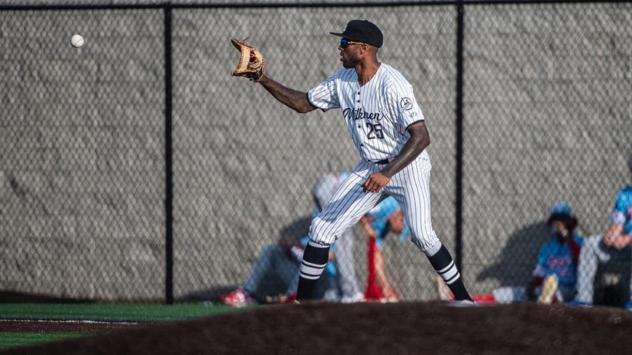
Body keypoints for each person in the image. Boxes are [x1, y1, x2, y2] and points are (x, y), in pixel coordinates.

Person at [234, 19, 473, 302]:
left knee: (422, 235)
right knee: (321, 230)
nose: (340, 47)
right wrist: (261, 78)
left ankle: (464, 299)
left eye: (345, 43)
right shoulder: (342, 80)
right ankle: (304, 308)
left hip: (407, 165)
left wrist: (389, 173)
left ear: (363, 48)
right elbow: (302, 103)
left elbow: (421, 137)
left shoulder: (392, 84)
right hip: (370, 166)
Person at [575, 158, 632, 306]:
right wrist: (612, 235)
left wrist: (628, 238)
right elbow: (618, 222)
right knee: (591, 244)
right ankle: (584, 299)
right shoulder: (625, 194)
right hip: (625, 247)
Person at [526, 202, 582, 304]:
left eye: (561, 222)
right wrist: (533, 284)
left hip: (568, 287)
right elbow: (541, 269)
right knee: (532, 293)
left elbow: (580, 260)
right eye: (556, 222)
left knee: (554, 296)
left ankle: (549, 299)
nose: (558, 226)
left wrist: (566, 235)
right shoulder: (548, 246)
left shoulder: (578, 242)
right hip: (547, 286)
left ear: (568, 223)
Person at [361, 196, 410, 302]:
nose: (396, 233)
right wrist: (366, 225)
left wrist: (385, 285)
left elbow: (376, 255)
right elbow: (357, 204)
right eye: (399, 231)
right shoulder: (388, 204)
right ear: (401, 220)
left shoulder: (384, 228)